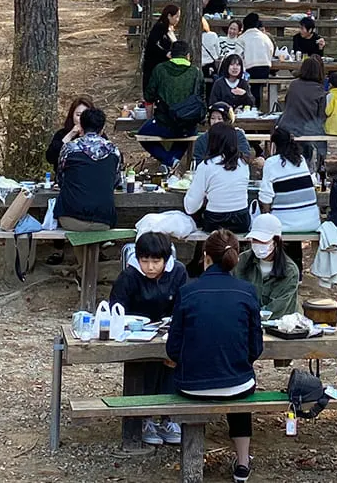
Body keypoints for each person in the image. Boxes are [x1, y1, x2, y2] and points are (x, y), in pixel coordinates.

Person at [166, 230, 262, 483]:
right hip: (239, 384)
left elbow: (172, 349)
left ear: (205, 257)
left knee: (229, 377)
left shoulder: (188, 291)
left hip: (192, 386)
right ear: (236, 258)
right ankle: (242, 462)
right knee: (239, 383)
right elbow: (256, 349)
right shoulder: (247, 291)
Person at [109, 230, 189, 447]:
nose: (151, 267)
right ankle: (145, 418)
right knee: (145, 368)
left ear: (166, 259)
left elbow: (184, 306)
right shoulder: (129, 276)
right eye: (145, 261)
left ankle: (168, 417)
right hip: (135, 334)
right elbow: (116, 308)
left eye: (156, 261)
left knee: (171, 363)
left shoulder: (178, 272)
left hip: (168, 332)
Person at [258, 126, 320, 266]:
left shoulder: (271, 163)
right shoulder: (301, 159)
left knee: (273, 224)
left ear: (273, 145)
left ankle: (279, 270)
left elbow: (266, 198)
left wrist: (266, 218)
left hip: (285, 224)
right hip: (310, 221)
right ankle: (297, 273)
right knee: (290, 220)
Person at [141, 40, 204, 167]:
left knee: (142, 134)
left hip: (164, 123)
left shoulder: (160, 69)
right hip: (188, 125)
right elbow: (201, 98)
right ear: (188, 55)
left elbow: (149, 95)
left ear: (170, 54)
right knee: (187, 134)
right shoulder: (196, 72)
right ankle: (172, 161)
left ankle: (169, 160)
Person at [56, 106, 122, 229]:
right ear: (102, 128)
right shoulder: (114, 151)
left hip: (70, 217)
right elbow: (116, 181)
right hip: (104, 219)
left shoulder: (69, 148)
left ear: (81, 126)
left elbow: (60, 179)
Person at [183, 122, 253, 234]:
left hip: (215, 221)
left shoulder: (206, 165)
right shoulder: (243, 164)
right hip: (241, 220)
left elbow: (190, 206)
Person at [237, 213, 303, 317]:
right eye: (254, 240)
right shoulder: (241, 261)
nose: (257, 244)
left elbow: (277, 308)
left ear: (276, 242)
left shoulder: (290, 270)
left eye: (262, 241)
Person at [277, 55, 329, 166]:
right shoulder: (320, 90)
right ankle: (320, 167)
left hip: (287, 126)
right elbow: (321, 116)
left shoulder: (294, 85)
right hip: (307, 130)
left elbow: (287, 104)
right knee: (320, 138)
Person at [44, 97, 95, 170]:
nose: (82, 119)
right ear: (72, 115)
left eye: (85, 115)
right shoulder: (61, 134)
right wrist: (70, 135)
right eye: (78, 115)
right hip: (65, 178)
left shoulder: (98, 135)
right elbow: (50, 158)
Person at [236, 12, 276, 106]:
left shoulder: (242, 38)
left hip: (250, 71)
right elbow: (271, 51)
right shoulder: (265, 37)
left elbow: (238, 56)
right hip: (265, 70)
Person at [142, 4, 181, 93]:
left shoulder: (169, 29)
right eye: (176, 16)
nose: (178, 19)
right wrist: (165, 53)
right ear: (169, 16)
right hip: (155, 66)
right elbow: (153, 44)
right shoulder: (160, 27)